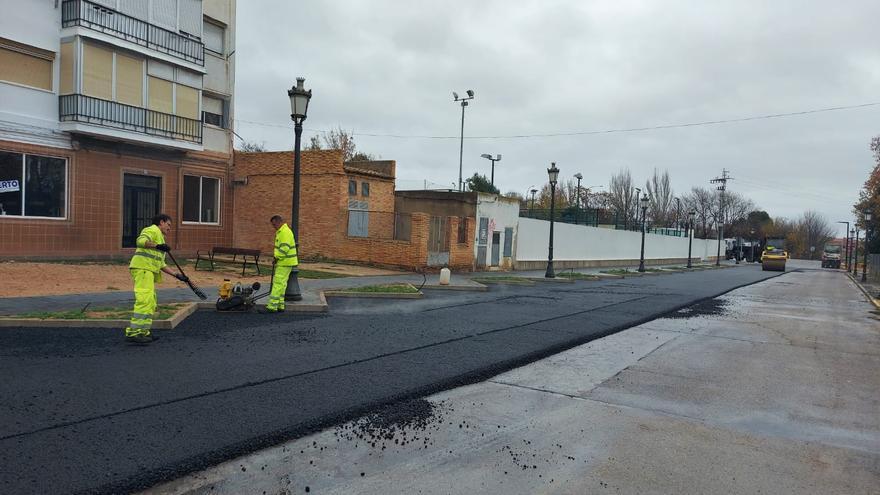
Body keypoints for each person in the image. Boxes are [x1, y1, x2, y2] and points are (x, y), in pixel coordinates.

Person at [125, 213, 189, 344]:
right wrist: (157, 246)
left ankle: (144, 331)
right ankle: (134, 333)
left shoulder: (161, 239)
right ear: (161, 222)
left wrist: (177, 275)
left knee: (150, 302)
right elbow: (140, 241)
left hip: (148, 272)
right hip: (143, 270)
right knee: (144, 300)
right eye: (168, 225)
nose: (170, 229)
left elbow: (161, 264)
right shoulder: (152, 229)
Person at [266, 215, 298, 313]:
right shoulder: (284, 231)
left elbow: (284, 248)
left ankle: (272, 306)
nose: (273, 226)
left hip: (284, 262)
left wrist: (277, 258)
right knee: (283, 284)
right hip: (288, 262)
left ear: (278, 222)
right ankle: (280, 304)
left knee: (278, 283)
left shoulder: (284, 233)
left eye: (274, 224)